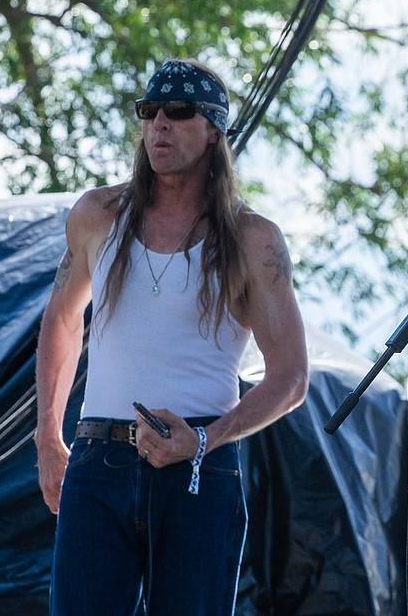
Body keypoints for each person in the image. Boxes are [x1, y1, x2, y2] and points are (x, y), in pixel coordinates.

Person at [34, 58, 309, 615]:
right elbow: (62, 321)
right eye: (149, 110)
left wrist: (204, 441)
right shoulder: (97, 214)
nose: (159, 123)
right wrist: (47, 436)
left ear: (213, 130)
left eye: (178, 111)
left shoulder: (253, 239)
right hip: (98, 456)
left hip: (199, 468)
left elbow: (291, 377)